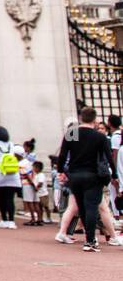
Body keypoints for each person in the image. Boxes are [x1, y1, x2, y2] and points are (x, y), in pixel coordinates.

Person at [56, 107, 118, 252]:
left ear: (81, 118)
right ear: (94, 119)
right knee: (91, 207)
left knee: (82, 208)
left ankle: (89, 238)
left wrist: (60, 171)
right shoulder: (99, 136)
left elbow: (63, 155)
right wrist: (114, 175)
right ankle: (90, 241)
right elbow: (109, 158)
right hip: (93, 175)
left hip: (75, 176)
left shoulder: (72, 133)